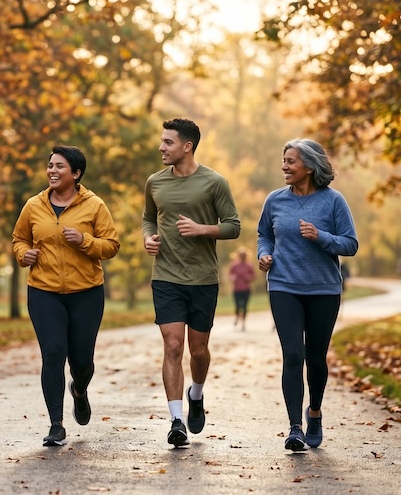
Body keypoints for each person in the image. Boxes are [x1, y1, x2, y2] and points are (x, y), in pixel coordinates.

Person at [141, 118, 241, 447]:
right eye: (161, 141)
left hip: (202, 279)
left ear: (187, 146)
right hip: (166, 277)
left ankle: (196, 393)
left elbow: (233, 226)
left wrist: (203, 230)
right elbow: (148, 218)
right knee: (172, 346)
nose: (161, 147)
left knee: (198, 351)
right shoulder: (155, 182)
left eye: (168, 142)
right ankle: (176, 420)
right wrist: (148, 238)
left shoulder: (214, 182)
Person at [12, 145, 120, 447]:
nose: (52, 171)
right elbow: (19, 238)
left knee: (82, 360)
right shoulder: (33, 205)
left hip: (86, 292)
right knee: (53, 354)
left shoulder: (95, 205)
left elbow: (111, 245)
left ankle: (80, 390)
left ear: (76, 173)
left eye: (59, 166)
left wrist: (84, 240)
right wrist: (24, 254)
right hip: (44, 292)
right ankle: (56, 424)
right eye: (50, 166)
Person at [257, 138, 358, 451]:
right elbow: (264, 234)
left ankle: (314, 412)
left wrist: (320, 236)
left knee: (315, 359)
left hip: (323, 289)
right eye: (284, 160)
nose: (284, 166)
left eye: (291, 161)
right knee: (293, 355)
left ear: (310, 167)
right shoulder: (275, 200)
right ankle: (295, 427)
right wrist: (264, 254)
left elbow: (350, 244)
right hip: (284, 285)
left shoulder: (333, 201)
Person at [228, 247, 255, 331]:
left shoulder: (249, 265)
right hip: (236, 289)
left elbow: (253, 276)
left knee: (244, 306)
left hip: (246, 289)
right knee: (237, 305)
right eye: (241, 255)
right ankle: (236, 317)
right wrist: (232, 278)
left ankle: (243, 323)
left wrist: (249, 277)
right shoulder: (234, 265)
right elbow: (230, 274)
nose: (242, 257)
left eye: (244, 255)